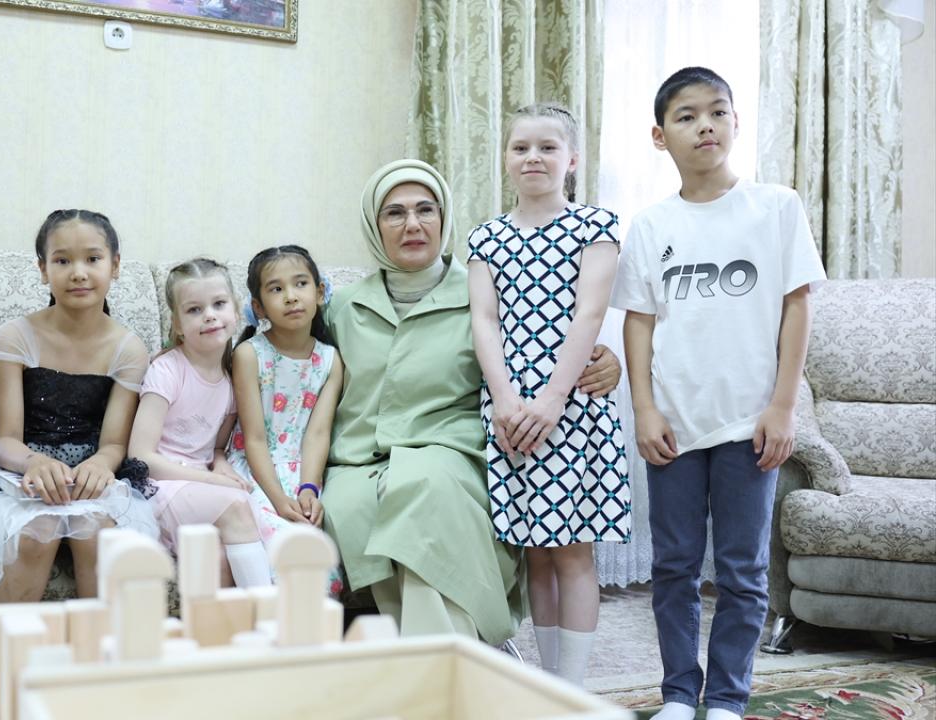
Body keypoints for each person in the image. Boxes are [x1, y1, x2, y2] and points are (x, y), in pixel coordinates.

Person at [320, 158, 623, 646]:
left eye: (426, 209)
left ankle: (443, 661)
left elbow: (548, 348)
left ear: (444, 219)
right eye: (395, 213)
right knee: (350, 503)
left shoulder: (487, 296)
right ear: (374, 226)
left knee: (424, 492)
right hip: (357, 459)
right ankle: (437, 651)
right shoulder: (339, 307)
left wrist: (607, 363)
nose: (413, 224)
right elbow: (290, 369)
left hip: (451, 452)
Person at [610, 67, 825, 720]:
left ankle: (728, 698)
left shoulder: (777, 207)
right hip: (673, 425)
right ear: (659, 135)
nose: (705, 125)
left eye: (717, 111)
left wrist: (783, 407)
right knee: (674, 566)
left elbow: (797, 307)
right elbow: (639, 323)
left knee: (742, 571)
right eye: (686, 115)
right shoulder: (651, 225)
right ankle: (680, 694)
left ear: (735, 122)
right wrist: (644, 408)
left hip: (750, 424)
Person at [0, 209, 159, 692]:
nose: (78, 272)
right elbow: (5, 440)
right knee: (35, 536)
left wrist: (101, 463)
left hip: (90, 471)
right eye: (62, 260)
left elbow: (115, 443)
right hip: (22, 467)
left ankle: (98, 681)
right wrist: (35, 462)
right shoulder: (16, 337)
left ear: (115, 265)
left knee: (96, 536)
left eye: (92, 259)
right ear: (43, 270)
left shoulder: (128, 349)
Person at [467, 103, 632, 685]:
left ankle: (574, 687)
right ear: (506, 158)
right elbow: (485, 321)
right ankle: (548, 682)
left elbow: (590, 314)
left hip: (573, 406)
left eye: (547, 147)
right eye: (521, 147)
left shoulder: (596, 227)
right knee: (535, 551)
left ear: (572, 160)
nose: (533, 157)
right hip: (510, 409)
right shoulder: (486, 237)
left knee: (573, 550)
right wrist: (505, 399)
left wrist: (553, 399)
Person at [128, 258, 272, 587]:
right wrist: (211, 480)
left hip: (199, 487)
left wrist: (221, 466)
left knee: (220, 558)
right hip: (158, 487)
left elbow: (216, 447)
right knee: (237, 505)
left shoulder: (231, 381)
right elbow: (140, 457)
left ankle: (228, 621)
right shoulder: (167, 371)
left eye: (219, 304)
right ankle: (270, 614)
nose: (209, 315)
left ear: (236, 311)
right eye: (194, 310)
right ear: (177, 324)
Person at [225, 245, 345, 593]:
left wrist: (309, 488)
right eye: (276, 289)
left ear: (319, 292)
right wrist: (278, 499)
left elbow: (317, 434)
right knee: (285, 547)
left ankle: (313, 624)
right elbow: (254, 439)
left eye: (300, 284)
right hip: (256, 471)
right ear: (259, 307)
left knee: (320, 552)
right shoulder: (249, 355)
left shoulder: (330, 360)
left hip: (305, 471)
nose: (291, 296)